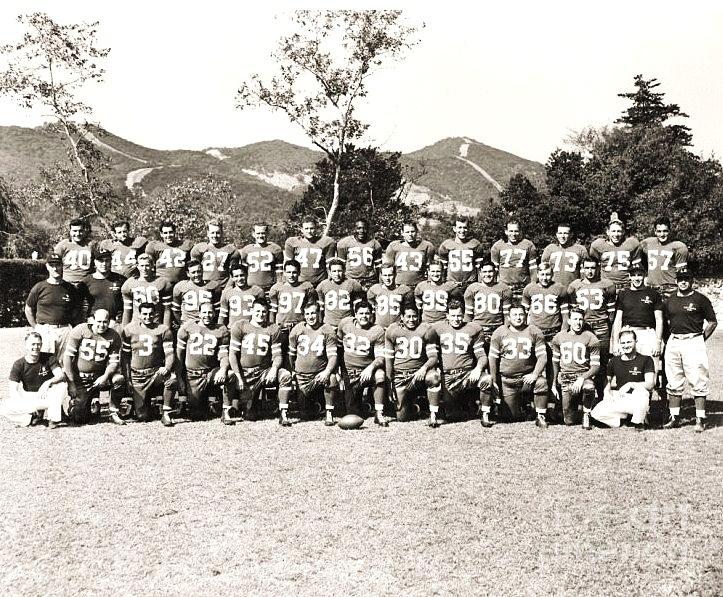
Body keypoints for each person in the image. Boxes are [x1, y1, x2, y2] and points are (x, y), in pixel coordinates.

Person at [662, 270, 717, 432]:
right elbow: (664, 323)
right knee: (673, 379)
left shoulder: (700, 299)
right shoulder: (670, 300)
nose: (683, 282)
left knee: (698, 379)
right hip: (674, 341)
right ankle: (674, 417)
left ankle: (700, 418)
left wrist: (700, 338)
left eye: (686, 279)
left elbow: (712, 322)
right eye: (680, 279)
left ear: (691, 280)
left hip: (693, 340)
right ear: (676, 281)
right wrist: (668, 339)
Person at [229, 299, 294, 425]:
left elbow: (277, 355)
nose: (260, 314)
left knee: (285, 375)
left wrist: (274, 369)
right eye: (257, 311)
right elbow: (233, 354)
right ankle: (239, 407)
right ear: (251, 310)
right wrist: (238, 376)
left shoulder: (273, 329)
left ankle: (283, 413)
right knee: (249, 415)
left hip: (263, 371)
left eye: (264, 311)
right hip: (245, 373)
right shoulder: (240, 326)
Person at [486, 303, 549, 427]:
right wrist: (493, 379)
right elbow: (492, 358)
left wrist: (535, 374)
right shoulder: (500, 332)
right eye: (514, 315)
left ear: (525, 316)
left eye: (521, 314)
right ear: (508, 317)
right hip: (508, 380)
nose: (518, 317)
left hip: (527, 379)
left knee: (541, 382)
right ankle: (523, 405)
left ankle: (540, 415)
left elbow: (543, 357)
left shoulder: (533, 331)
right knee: (512, 417)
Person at [432, 300, 491, 427]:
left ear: (463, 314)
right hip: (448, 376)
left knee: (486, 379)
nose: (456, 319)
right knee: (453, 416)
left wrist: (478, 368)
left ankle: (485, 413)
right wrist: (435, 367)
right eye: (453, 316)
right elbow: (432, 354)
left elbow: (482, 356)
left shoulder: (472, 329)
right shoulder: (438, 329)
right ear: (447, 315)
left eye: (459, 315)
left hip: (467, 374)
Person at [63, 309, 125, 425]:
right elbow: (67, 357)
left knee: (119, 379)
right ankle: (80, 403)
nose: (102, 325)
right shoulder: (80, 330)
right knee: (80, 418)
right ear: (92, 320)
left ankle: (113, 412)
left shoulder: (113, 336)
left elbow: (113, 362)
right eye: (99, 321)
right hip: (82, 379)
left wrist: (105, 376)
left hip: (100, 377)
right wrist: (71, 383)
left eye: (105, 322)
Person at [177, 302, 236, 425]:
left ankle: (226, 411)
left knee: (230, 375)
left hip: (210, 373)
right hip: (192, 375)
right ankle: (205, 404)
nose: (207, 315)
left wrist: (223, 369)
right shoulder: (187, 327)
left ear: (214, 313)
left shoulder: (221, 329)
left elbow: (224, 355)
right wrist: (179, 377)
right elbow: (179, 356)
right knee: (197, 415)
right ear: (199, 313)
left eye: (210, 312)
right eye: (204, 312)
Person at [567, 257, 617, 399]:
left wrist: (610, 329)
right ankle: (581, 399)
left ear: (598, 268)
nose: (590, 271)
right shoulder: (575, 286)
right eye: (587, 268)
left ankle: (602, 399)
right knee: (582, 362)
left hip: (601, 327)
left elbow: (611, 311)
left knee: (601, 365)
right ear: (582, 269)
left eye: (592, 268)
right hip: (584, 327)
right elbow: (573, 309)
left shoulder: (607, 285)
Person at [385, 302, 441, 425]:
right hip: (400, 376)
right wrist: (389, 383)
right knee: (401, 418)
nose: (412, 320)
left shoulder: (426, 329)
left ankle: (433, 414)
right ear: (402, 317)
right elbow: (389, 359)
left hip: (419, 375)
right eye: (408, 316)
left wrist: (424, 368)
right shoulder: (392, 330)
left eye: (414, 316)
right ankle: (417, 407)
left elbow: (433, 357)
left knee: (434, 377)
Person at [120, 302, 177, 425]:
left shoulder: (162, 330)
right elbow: (125, 357)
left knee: (171, 378)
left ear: (156, 314)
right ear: (139, 315)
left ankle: (166, 412)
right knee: (142, 416)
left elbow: (169, 353)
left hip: (155, 373)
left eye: (151, 314)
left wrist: (167, 368)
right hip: (137, 375)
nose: (147, 317)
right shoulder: (130, 330)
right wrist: (127, 377)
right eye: (144, 314)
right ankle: (146, 407)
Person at [288, 301, 340, 426]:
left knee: (332, 378)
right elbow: (291, 355)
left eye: (313, 313)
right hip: (302, 377)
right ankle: (316, 406)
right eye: (307, 314)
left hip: (319, 375)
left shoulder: (326, 330)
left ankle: (329, 412)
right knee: (305, 415)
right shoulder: (297, 330)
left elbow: (333, 356)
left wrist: (327, 372)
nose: (311, 316)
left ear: (319, 313)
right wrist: (293, 371)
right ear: (304, 315)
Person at [337, 301, 388, 425]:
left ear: (371, 314)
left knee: (380, 374)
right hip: (349, 372)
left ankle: (379, 413)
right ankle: (364, 405)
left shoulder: (377, 330)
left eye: (367, 313)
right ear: (355, 314)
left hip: (367, 371)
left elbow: (381, 357)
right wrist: (338, 370)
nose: (364, 316)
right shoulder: (345, 324)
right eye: (361, 313)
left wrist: (370, 368)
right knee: (352, 412)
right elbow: (338, 349)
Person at [1, 331, 67, 428]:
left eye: (38, 344)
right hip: (30, 397)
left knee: (62, 385)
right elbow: (13, 389)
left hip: (47, 396)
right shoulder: (19, 364)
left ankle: (53, 419)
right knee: (3, 407)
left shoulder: (49, 358)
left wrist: (47, 383)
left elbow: (60, 375)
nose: (36, 347)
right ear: (26, 346)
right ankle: (29, 418)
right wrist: (23, 406)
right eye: (33, 344)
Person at [591, 328, 652, 430]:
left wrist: (631, 384)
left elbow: (650, 384)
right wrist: (607, 393)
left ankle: (639, 422)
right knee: (596, 413)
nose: (626, 345)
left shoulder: (646, 359)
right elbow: (607, 380)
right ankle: (622, 421)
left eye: (629, 342)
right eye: (623, 343)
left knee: (642, 393)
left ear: (636, 342)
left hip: (637, 399)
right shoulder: (614, 361)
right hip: (621, 397)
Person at [550, 308, 600, 429]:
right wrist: (554, 383)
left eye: (580, 319)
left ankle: (586, 413)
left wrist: (582, 378)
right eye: (575, 319)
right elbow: (555, 363)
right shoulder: (559, 337)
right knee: (569, 421)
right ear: (569, 320)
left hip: (583, 375)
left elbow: (596, 366)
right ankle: (568, 409)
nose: (578, 322)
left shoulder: (590, 337)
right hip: (566, 377)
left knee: (589, 387)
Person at [611, 264, 663, 377]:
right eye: (633, 275)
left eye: (639, 275)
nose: (637, 278)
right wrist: (615, 343)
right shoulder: (623, 294)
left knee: (651, 370)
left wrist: (658, 342)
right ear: (629, 276)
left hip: (647, 333)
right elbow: (618, 320)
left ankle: (648, 393)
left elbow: (659, 319)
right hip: (628, 333)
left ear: (644, 276)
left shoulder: (653, 294)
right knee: (628, 369)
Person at [25, 253, 81, 357]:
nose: (55, 268)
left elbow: (77, 310)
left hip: (65, 331)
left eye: (58, 265)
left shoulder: (70, 288)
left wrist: (73, 328)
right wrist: (36, 327)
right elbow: (28, 308)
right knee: (45, 363)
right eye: (52, 265)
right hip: (45, 330)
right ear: (47, 267)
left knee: (65, 363)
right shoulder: (39, 287)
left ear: (62, 266)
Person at [464, 261, 512, 350]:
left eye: (490, 271)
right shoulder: (472, 289)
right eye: (484, 272)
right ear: (480, 273)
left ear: (495, 272)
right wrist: (467, 332)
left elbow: (507, 315)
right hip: (479, 329)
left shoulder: (503, 289)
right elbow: (468, 315)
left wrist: (506, 331)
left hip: (497, 329)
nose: (487, 274)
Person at [589, 213, 641, 294]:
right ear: (608, 232)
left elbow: (637, 267)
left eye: (619, 231)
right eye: (613, 231)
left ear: (623, 232)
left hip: (626, 286)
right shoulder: (598, 245)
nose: (616, 234)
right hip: (606, 287)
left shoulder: (631, 244)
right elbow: (593, 264)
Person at [640, 216, 689, 300]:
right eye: (659, 231)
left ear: (669, 231)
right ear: (655, 231)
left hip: (670, 288)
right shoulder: (647, 243)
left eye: (665, 231)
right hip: (651, 287)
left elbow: (682, 273)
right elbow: (638, 256)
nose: (662, 234)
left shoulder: (678, 246)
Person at [121, 253, 173, 327]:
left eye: (147, 265)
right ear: (137, 266)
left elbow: (167, 310)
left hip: (156, 326)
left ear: (152, 266)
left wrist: (166, 329)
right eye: (142, 266)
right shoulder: (130, 283)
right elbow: (127, 311)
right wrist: (124, 330)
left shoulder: (162, 282)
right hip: (136, 326)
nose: (144, 269)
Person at [490, 219, 538, 300]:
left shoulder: (528, 245)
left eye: (516, 231)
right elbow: (494, 270)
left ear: (520, 231)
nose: (513, 234)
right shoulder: (497, 246)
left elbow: (533, 268)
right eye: (511, 231)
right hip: (504, 287)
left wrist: (533, 285)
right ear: (506, 231)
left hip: (522, 287)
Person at [268, 260, 317, 335]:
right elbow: (273, 311)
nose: (291, 275)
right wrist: (272, 327)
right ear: (284, 273)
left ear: (299, 272)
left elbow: (311, 309)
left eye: (294, 272)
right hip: (282, 326)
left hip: (300, 326)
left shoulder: (306, 287)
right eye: (288, 272)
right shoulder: (277, 288)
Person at [284, 218, 336, 286]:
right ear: (301, 229)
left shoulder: (326, 242)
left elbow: (330, 266)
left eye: (312, 228)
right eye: (306, 228)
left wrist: (329, 283)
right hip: (299, 284)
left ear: (316, 228)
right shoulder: (292, 242)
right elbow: (287, 266)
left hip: (319, 283)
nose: (309, 231)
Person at [78, 250, 125, 324]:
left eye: (107, 260)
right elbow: (78, 304)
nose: (104, 264)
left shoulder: (120, 279)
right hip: (94, 323)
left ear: (111, 261)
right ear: (95, 262)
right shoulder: (86, 282)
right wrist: (87, 318)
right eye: (101, 261)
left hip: (114, 323)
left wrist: (119, 319)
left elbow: (127, 301)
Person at [384, 221, 436, 288]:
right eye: (407, 232)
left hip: (419, 285)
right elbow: (387, 269)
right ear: (402, 233)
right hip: (399, 285)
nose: (410, 234)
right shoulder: (394, 246)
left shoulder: (427, 246)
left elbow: (430, 268)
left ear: (417, 231)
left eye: (412, 231)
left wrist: (429, 284)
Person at [316, 257, 365, 328]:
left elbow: (357, 306)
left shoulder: (353, 284)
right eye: (334, 271)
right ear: (329, 272)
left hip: (347, 323)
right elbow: (321, 308)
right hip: (329, 324)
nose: (337, 274)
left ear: (344, 270)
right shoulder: (322, 285)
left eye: (339, 271)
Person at [335, 219, 383, 291]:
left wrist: (380, 282)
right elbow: (340, 266)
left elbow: (378, 267)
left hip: (369, 280)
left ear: (368, 229)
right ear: (354, 229)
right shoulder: (344, 243)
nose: (362, 231)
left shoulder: (375, 244)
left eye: (364, 228)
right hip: (350, 279)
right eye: (359, 228)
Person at [237, 222, 284, 294]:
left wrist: (278, 286)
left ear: (267, 233)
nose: (261, 236)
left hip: (269, 288)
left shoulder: (276, 249)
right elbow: (243, 272)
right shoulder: (246, 250)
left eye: (263, 233)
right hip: (251, 289)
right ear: (253, 234)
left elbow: (279, 272)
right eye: (258, 233)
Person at [437, 217, 484, 289]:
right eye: (459, 227)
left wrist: (480, 285)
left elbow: (479, 268)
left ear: (468, 228)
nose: (462, 230)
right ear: (454, 228)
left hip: (470, 285)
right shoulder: (446, 245)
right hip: (451, 285)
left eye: (465, 227)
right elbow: (442, 269)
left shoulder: (475, 244)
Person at [171, 260, 223, 325]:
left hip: (207, 324)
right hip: (189, 323)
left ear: (202, 271)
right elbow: (176, 310)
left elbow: (217, 309)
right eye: (193, 272)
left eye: (199, 271)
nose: (196, 275)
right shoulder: (180, 287)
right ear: (188, 274)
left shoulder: (213, 285)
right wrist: (182, 324)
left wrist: (212, 322)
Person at [190, 219, 238, 285]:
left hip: (224, 287)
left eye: (217, 233)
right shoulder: (199, 248)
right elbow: (194, 271)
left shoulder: (230, 249)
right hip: (205, 287)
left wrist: (228, 288)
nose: (215, 236)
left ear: (222, 233)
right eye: (212, 233)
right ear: (207, 233)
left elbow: (234, 273)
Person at [541, 223, 588, 289]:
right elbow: (543, 271)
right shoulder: (550, 249)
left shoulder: (580, 249)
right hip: (553, 288)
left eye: (565, 233)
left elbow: (586, 272)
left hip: (573, 289)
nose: (562, 236)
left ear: (571, 235)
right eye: (560, 233)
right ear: (556, 235)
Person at [366, 263, 413, 330]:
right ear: (381, 276)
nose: (387, 278)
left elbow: (407, 310)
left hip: (397, 328)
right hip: (379, 328)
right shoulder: (374, 289)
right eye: (385, 275)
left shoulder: (404, 290)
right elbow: (371, 303)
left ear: (395, 274)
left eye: (390, 275)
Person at [218, 262, 266, 327]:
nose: (239, 278)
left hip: (252, 328)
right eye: (236, 276)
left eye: (242, 275)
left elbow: (264, 313)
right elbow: (223, 314)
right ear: (232, 278)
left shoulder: (257, 291)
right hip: (233, 328)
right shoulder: (227, 292)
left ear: (247, 275)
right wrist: (221, 329)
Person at [54, 218, 96, 285]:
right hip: (68, 283)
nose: (78, 234)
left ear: (84, 231)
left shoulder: (92, 244)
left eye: (80, 231)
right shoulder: (62, 245)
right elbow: (54, 264)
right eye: (75, 231)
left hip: (87, 284)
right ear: (70, 231)